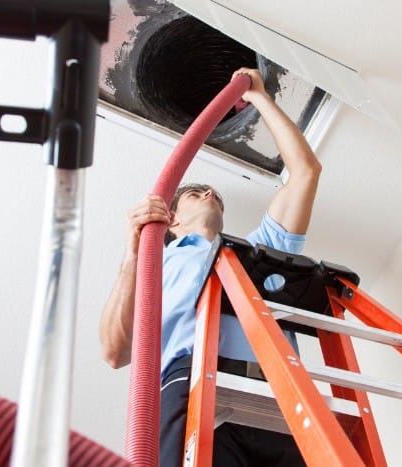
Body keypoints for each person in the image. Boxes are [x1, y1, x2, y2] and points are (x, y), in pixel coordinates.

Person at [99, 67, 322, 466]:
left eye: (214, 193)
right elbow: (115, 352)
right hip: (193, 384)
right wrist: (135, 252)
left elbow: (305, 173)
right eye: (194, 193)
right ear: (171, 221)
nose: (209, 192)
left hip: (280, 397)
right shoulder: (156, 264)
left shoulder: (256, 252)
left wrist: (258, 98)